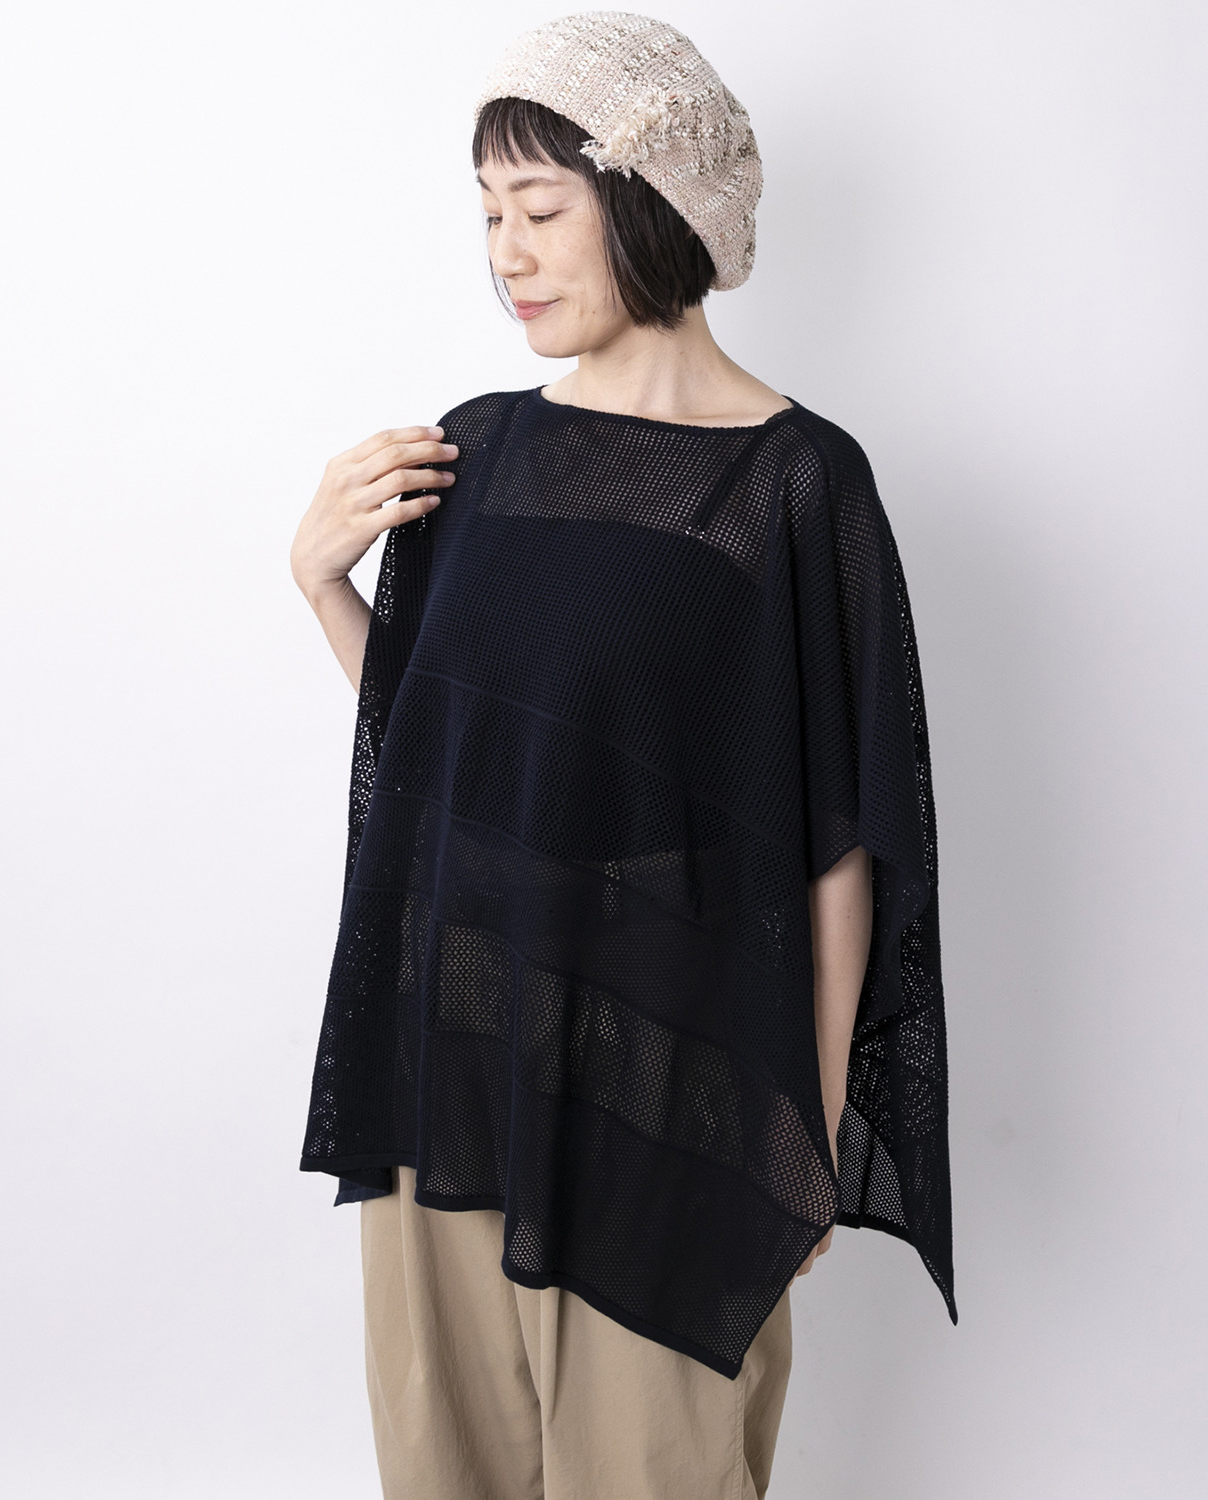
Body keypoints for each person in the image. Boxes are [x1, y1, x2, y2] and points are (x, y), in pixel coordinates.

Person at [289, 12, 954, 1498]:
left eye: (538, 209)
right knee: (448, 1468)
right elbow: (440, 756)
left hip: (676, 1084)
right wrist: (325, 584)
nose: (504, 254)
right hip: (454, 1056)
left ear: (652, 200)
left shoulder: (794, 483)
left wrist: (809, 1126)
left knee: (654, 1472)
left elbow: (840, 840)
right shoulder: (474, 453)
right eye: (486, 216)